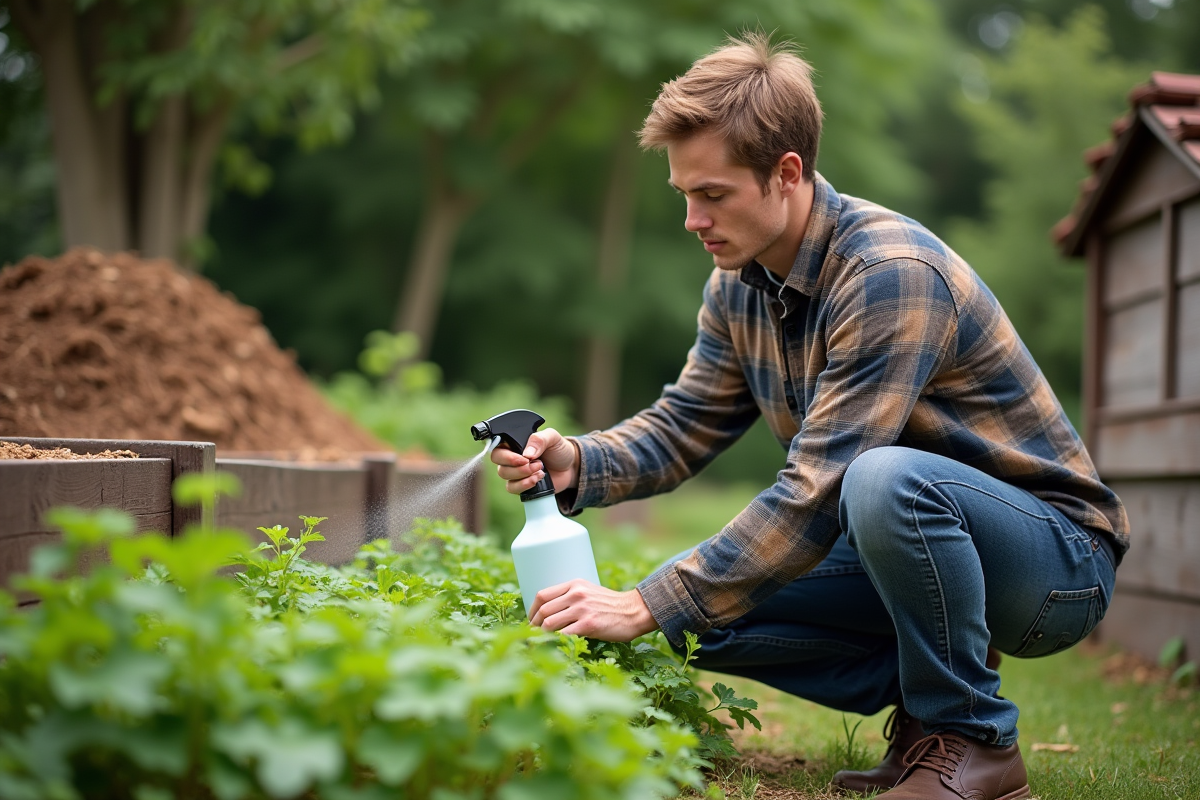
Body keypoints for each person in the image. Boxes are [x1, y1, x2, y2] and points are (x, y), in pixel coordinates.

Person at [489, 32, 1126, 800]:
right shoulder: (739, 282)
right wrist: (577, 464)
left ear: (787, 173)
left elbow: (821, 486)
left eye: (713, 194)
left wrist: (643, 602)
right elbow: (683, 423)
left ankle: (974, 740)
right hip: (914, 547)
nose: (694, 219)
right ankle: (930, 709)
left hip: (1055, 564)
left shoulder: (889, 274)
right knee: (697, 610)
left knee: (879, 481)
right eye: (684, 194)